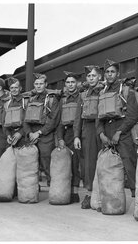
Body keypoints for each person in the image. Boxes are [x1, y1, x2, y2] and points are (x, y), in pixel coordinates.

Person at [96, 59, 138, 197]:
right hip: (107, 132)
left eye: (112, 72)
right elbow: (99, 117)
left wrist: (119, 132)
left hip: (122, 131)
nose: (109, 75)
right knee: (107, 167)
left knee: (129, 164)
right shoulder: (101, 93)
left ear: (118, 74)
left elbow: (133, 116)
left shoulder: (127, 91)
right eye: (107, 72)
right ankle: (110, 198)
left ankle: (136, 196)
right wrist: (101, 134)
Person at [73, 65, 104, 209]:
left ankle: (103, 196)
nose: (91, 78)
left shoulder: (105, 92)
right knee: (89, 165)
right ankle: (90, 194)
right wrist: (76, 136)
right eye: (89, 76)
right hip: (88, 130)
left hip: (103, 130)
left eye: (94, 76)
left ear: (99, 77)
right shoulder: (83, 95)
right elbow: (78, 119)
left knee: (104, 163)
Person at [23, 73, 60, 187]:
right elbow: (25, 119)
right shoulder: (31, 99)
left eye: (41, 84)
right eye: (36, 84)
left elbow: (53, 120)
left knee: (47, 162)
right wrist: (29, 133)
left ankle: (54, 188)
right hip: (32, 135)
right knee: (32, 164)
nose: (38, 86)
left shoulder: (52, 99)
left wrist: (39, 133)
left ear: (46, 84)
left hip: (45, 136)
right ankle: (33, 188)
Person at [57, 71, 83, 204]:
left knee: (76, 164)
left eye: (73, 82)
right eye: (68, 82)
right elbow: (60, 122)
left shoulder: (81, 97)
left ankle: (75, 192)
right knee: (67, 164)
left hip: (78, 134)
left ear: (77, 84)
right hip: (67, 134)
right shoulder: (63, 100)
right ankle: (67, 190)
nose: (70, 85)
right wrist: (60, 138)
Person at [3, 77, 28, 148]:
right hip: (11, 137)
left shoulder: (25, 102)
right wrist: (8, 135)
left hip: (24, 137)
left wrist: (20, 133)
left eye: (16, 87)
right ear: (9, 89)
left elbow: (28, 121)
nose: (14, 90)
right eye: (12, 88)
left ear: (20, 88)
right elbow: (4, 122)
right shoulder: (7, 104)